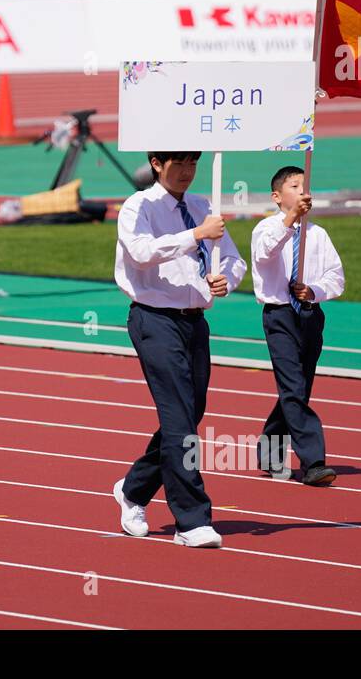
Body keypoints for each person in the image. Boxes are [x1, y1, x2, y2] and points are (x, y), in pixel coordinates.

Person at [112, 151, 246, 548]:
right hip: (154, 319)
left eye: (193, 163)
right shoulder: (139, 206)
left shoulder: (203, 206)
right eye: (178, 163)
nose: (187, 172)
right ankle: (191, 519)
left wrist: (226, 280)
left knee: (190, 414)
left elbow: (234, 260)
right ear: (156, 163)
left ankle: (133, 490)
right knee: (178, 419)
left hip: (194, 321)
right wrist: (196, 236)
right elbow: (140, 252)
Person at [250, 166, 344, 487]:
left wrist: (313, 291)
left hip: (309, 315)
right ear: (277, 196)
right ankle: (314, 462)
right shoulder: (265, 229)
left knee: (298, 389)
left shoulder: (318, 234)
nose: (303, 190)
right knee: (293, 388)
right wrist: (290, 220)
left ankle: (268, 449)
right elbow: (265, 255)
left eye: (305, 185)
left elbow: (336, 276)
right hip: (280, 317)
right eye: (294, 185)